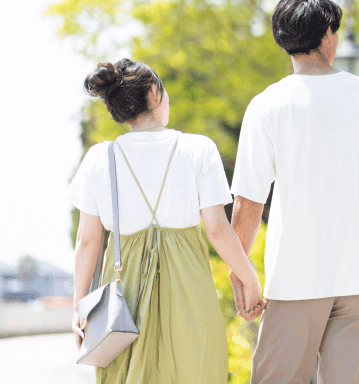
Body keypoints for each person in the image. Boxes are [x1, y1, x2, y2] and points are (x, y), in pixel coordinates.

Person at [229, 0, 359, 384]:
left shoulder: (267, 105)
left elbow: (249, 203)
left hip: (295, 276)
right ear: (327, 35)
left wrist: (241, 273)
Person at [68, 58, 266, 384]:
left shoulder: (100, 158)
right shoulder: (198, 149)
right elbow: (217, 228)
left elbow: (88, 241)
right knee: (198, 370)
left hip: (123, 295)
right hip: (190, 284)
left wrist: (79, 308)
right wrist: (249, 278)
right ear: (154, 93)